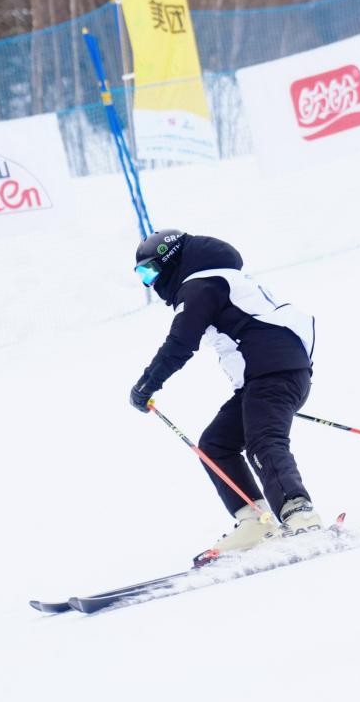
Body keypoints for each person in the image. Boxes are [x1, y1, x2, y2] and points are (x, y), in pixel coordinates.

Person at [127, 229, 323, 555]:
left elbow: (180, 343)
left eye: (149, 272)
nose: (149, 283)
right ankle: (255, 521)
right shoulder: (218, 279)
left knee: (264, 440)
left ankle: (298, 512)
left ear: (168, 260)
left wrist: (146, 384)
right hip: (267, 376)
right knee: (216, 444)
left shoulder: (201, 285)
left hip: (272, 373)